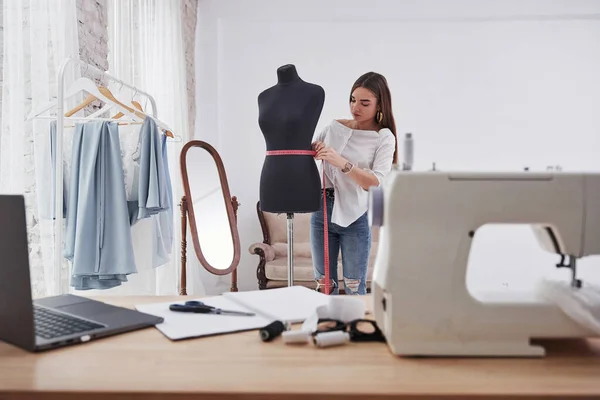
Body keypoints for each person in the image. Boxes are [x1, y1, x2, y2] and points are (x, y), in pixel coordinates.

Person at [310, 72, 397, 295]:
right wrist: (313, 150)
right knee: (324, 286)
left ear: (380, 105)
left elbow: (376, 183)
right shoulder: (334, 127)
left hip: (356, 216)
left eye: (364, 103)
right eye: (352, 99)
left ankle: (355, 329)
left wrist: (342, 163)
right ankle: (325, 328)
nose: (355, 107)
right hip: (322, 210)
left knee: (353, 288)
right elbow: (310, 150)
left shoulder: (384, 137)